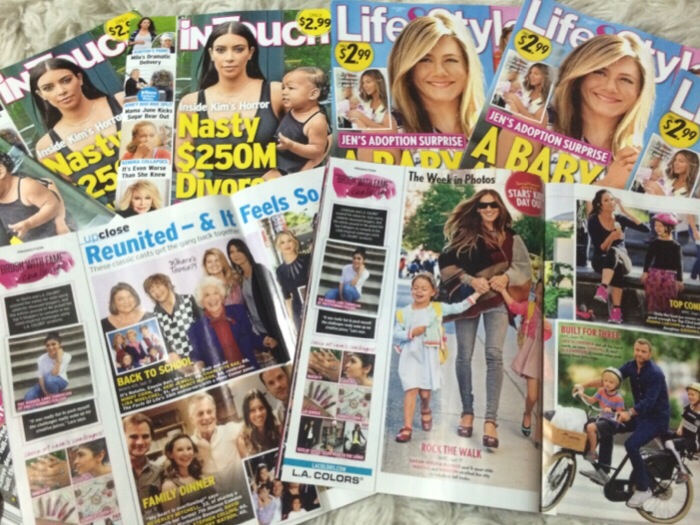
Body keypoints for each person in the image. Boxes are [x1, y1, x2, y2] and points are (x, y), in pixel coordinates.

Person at [438, 189, 532, 448]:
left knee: (494, 355)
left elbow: (523, 267)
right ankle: (467, 412)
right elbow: (446, 262)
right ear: (477, 209)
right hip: (467, 299)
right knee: (464, 354)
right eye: (483, 205)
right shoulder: (464, 234)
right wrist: (471, 280)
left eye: (493, 205)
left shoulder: (512, 237)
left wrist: (506, 277)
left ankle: (491, 420)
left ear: (500, 208)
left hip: (497, 299)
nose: (488, 209)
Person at [176, 21, 283, 182]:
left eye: (238, 49)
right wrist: (205, 189)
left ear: (250, 52)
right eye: (220, 50)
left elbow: (316, 140)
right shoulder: (191, 103)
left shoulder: (275, 93)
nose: (229, 58)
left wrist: (284, 174)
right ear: (211, 54)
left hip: (271, 193)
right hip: (217, 193)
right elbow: (183, 161)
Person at [548, 33, 655, 188]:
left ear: (639, 92)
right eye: (600, 72)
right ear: (580, 76)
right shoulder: (540, 127)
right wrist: (610, 184)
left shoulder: (636, 166)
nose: (610, 87)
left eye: (626, 80)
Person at [576, 338, 670, 508]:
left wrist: (629, 412)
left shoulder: (656, 374)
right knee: (609, 426)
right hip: (640, 415)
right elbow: (609, 380)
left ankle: (644, 488)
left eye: (643, 351)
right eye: (637, 350)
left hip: (656, 419)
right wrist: (583, 385)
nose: (639, 354)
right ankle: (603, 471)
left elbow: (649, 402)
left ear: (650, 354)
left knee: (631, 445)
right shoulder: (631, 366)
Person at [385, 12, 485, 165]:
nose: (440, 72)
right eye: (425, 60)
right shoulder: (389, 129)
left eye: (451, 60)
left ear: (468, 67)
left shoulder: (493, 131)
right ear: (408, 70)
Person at [393, 273, 478, 442]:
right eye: (416, 288)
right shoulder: (403, 313)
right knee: (410, 389)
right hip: (410, 354)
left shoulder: (438, 308)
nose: (419, 291)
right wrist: (410, 333)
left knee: (425, 393)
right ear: (411, 290)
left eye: (424, 289)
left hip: (429, 354)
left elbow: (459, 307)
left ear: (433, 292)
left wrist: (478, 294)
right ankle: (407, 427)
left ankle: (425, 408)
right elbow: (396, 333)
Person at [29, 58, 124, 206]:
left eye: (66, 80)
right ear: (41, 95)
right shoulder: (47, 146)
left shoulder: (123, 102)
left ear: (79, 79)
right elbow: (72, 200)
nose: (61, 91)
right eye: (48, 88)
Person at [587, 189, 650, 323]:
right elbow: (600, 249)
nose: (611, 202)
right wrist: (612, 237)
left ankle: (603, 288)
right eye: (606, 200)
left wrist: (625, 211)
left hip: (622, 257)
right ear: (599, 205)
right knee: (617, 266)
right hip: (601, 260)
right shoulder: (593, 221)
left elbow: (646, 229)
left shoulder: (620, 219)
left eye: (612, 199)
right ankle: (616, 312)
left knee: (615, 252)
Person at [227, 239, 287, 364]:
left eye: (239, 250)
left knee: (285, 359)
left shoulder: (259, 270)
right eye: (231, 252)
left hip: (273, 329)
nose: (236, 254)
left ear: (246, 251)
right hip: (261, 332)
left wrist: (275, 333)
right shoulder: (241, 278)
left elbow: (274, 302)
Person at [187, 276, 261, 371]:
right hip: (223, 377)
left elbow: (250, 336)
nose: (212, 298)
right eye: (207, 295)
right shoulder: (195, 329)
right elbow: (197, 354)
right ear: (201, 301)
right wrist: (197, 363)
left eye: (216, 293)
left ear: (222, 296)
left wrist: (264, 341)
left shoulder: (238, 311)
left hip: (249, 370)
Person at [507, 279, 551, 437]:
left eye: (545, 294)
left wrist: (548, 329)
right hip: (530, 354)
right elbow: (514, 306)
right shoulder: (529, 307)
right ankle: (527, 413)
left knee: (543, 398)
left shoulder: (549, 313)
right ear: (535, 292)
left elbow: (547, 337)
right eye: (539, 292)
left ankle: (539, 431)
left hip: (543, 356)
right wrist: (503, 290)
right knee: (532, 396)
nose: (542, 296)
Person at [272, 67, 331, 176]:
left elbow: (317, 151)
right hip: (281, 167)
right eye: (283, 88)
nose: (284, 92)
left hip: (299, 175)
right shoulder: (293, 109)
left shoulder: (316, 121)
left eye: (291, 88)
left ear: (313, 94)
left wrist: (292, 146)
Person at [188, 393, 246, 497]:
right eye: (200, 414)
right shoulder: (189, 444)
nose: (206, 417)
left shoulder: (230, 430)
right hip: (217, 502)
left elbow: (251, 425)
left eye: (209, 412)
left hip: (243, 496)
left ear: (215, 413)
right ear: (192, 419)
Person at [0, 152, 65, 243]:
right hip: (30, 244)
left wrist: (29, 223)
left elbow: (53, 205)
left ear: (1, 172)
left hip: (54, 237)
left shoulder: (25, 187)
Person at [143, 273, 201, 364]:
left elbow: (203, 327)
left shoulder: (188, 299)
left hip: (201, 355)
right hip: (179, 364)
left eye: (158, 286)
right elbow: (164, 345)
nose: (157, 292)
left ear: (167, 284)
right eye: (152, 291)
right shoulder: (155, 315)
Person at [573, 367, 625, 462]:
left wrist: (611, 411)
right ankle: (585, 446)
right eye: (605, 381)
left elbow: (620, 414)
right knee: (583, 422)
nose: (607, 384)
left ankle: (592, 453)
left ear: (617, 384)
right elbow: (592, 400)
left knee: (591, 427)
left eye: (611, 382)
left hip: (611, 422)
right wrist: (583, 395)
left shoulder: (618, 398)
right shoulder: (601, 391)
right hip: (602, 418)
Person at [160, 434, 216, 511]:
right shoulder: (169, 486)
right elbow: (173, 518)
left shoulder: (199, 475)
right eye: (180, 450)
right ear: (170, 454)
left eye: (189, 448)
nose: (186, 453)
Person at [641, 213, 683, 314]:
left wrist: (680, 279)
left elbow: (679, 263)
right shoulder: (654, 243)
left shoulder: (676, 246)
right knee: (653, 283)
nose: (657, 228)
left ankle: (666, 313)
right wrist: (645, 271)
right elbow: (648, 258)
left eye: (660, 226)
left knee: (668, 286)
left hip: (670, 273)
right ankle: (652, 311)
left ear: (668, 227)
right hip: (656, 271)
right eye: (656, 225)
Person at [123, 414, 162, 519]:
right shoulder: (114, 474)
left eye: (145, 436)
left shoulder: (160, 471)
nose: (140, 442)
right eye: (133, 437)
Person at [274, 231, 310, 331]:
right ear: (278, 247)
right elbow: (287, 298)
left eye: (289, 240)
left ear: (294, 242)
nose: (286, 244)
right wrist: (292, 322)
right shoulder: (280, 271)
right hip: (298, 312)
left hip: (313, 305)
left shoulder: (308, 258)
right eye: (282, 242)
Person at [664, 382, 700, 483]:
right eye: (689, 394)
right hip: (683, 436)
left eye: (693, 395)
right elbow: (684, 419)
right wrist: (680, 428)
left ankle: (683, 472)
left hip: (693, 442)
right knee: (660, 432)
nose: (690, 397)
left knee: (669, 443)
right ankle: (668, 457)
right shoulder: (689, 407)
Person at [24, 332, 72, 402]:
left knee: (50, 381)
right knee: (29, 396)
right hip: (45, 382)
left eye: (53, 344)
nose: (50, 347)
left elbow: (55, 373)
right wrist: (45, 392)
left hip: (61, 380)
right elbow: (41, 377)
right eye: (48, 345)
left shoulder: (67, 356)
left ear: (59, 345)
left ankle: (54, 398)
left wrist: (58, 358)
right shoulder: (41, 359)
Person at [236, 389, 281, 458]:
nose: (258, 414)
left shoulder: (279, 431)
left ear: (267, 409)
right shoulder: (243, 440)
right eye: (252, 410)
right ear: (247, 414)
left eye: (261, 408)